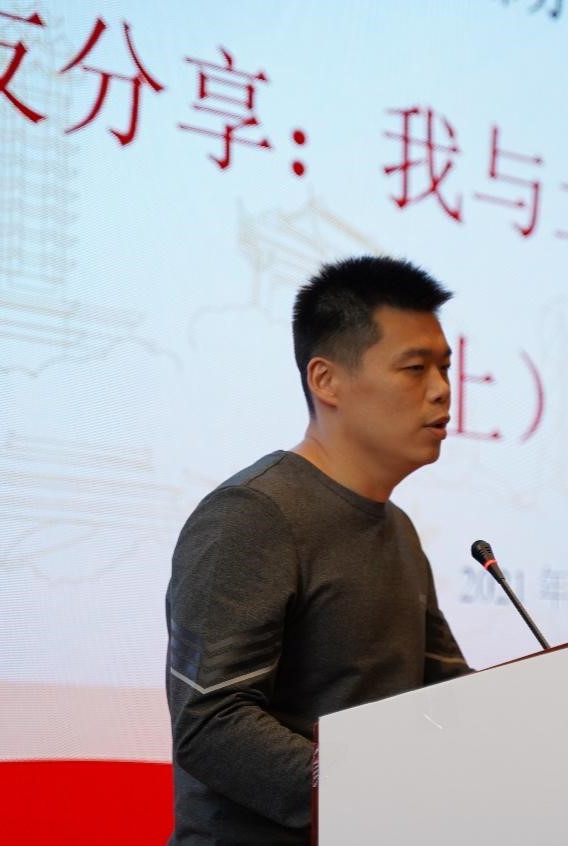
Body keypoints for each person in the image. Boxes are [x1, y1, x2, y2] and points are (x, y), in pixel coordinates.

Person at [165, 255, 472, 845]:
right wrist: (364, 792)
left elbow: (448, 691)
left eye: (445, 368)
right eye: (415, 369)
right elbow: (212, 721)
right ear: (326, 380)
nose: (441, 391)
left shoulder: (399, 529)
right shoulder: (253, 514)